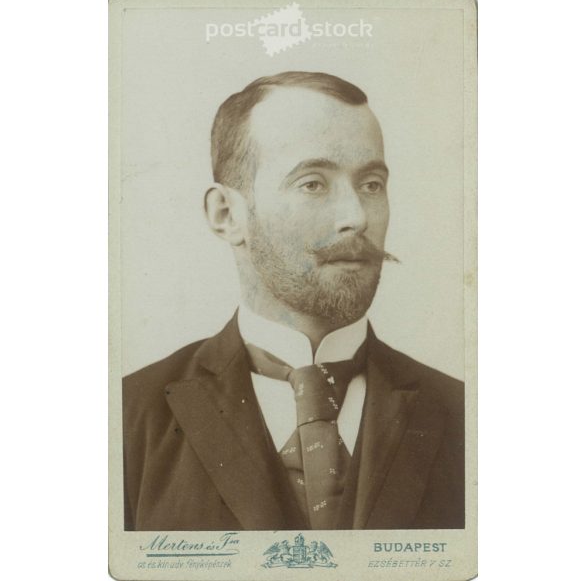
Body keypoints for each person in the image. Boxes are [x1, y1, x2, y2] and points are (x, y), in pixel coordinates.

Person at [123, 71, 464, 531]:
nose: (356, 217)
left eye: (371, 185)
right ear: (226, 214)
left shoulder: (466, 414)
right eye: (313, 184)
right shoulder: (126, 415)